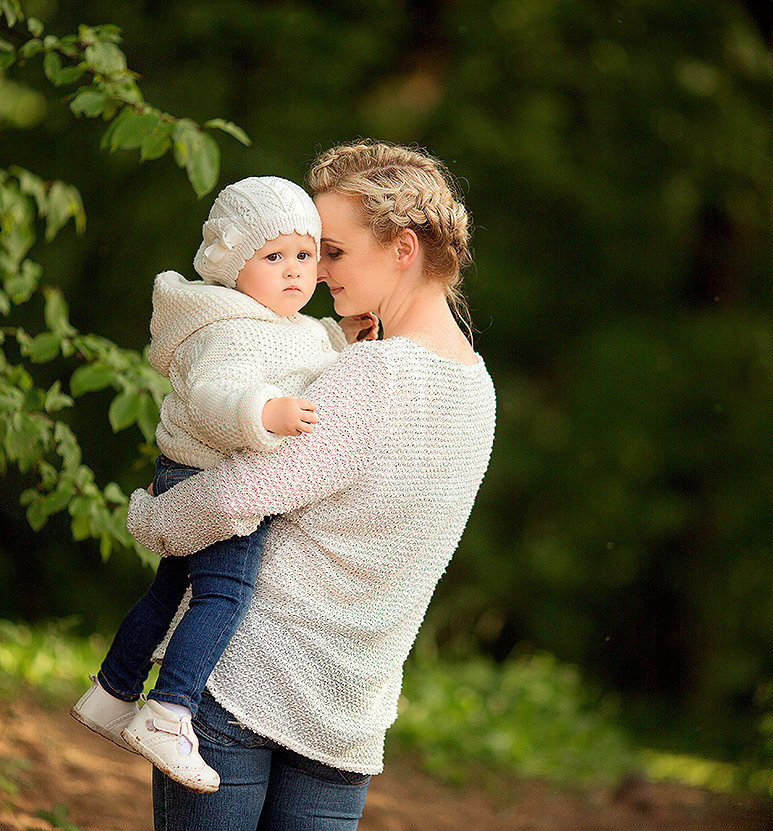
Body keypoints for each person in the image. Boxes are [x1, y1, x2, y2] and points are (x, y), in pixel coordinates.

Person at [124, 141, 497, 831]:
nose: (315, 272)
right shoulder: (479, 390)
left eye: (332, 251)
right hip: (351, 711)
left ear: (402, 249)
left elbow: (237, 495)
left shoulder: (374, 373)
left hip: (245, 679)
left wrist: (151, 521)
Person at [71, 176, 375, 793]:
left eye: (305, 255)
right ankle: (169, 712)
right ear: (234, 263)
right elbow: (214, 396)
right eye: (273, 257)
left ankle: (112, 691)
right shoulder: (230, 326)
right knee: (225, 594)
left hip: (195, 475)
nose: (295, 271)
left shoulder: (287, 321)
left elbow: (309, 349)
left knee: (169, 591)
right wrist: (264, 412)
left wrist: (349, 338)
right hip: (213, 478)